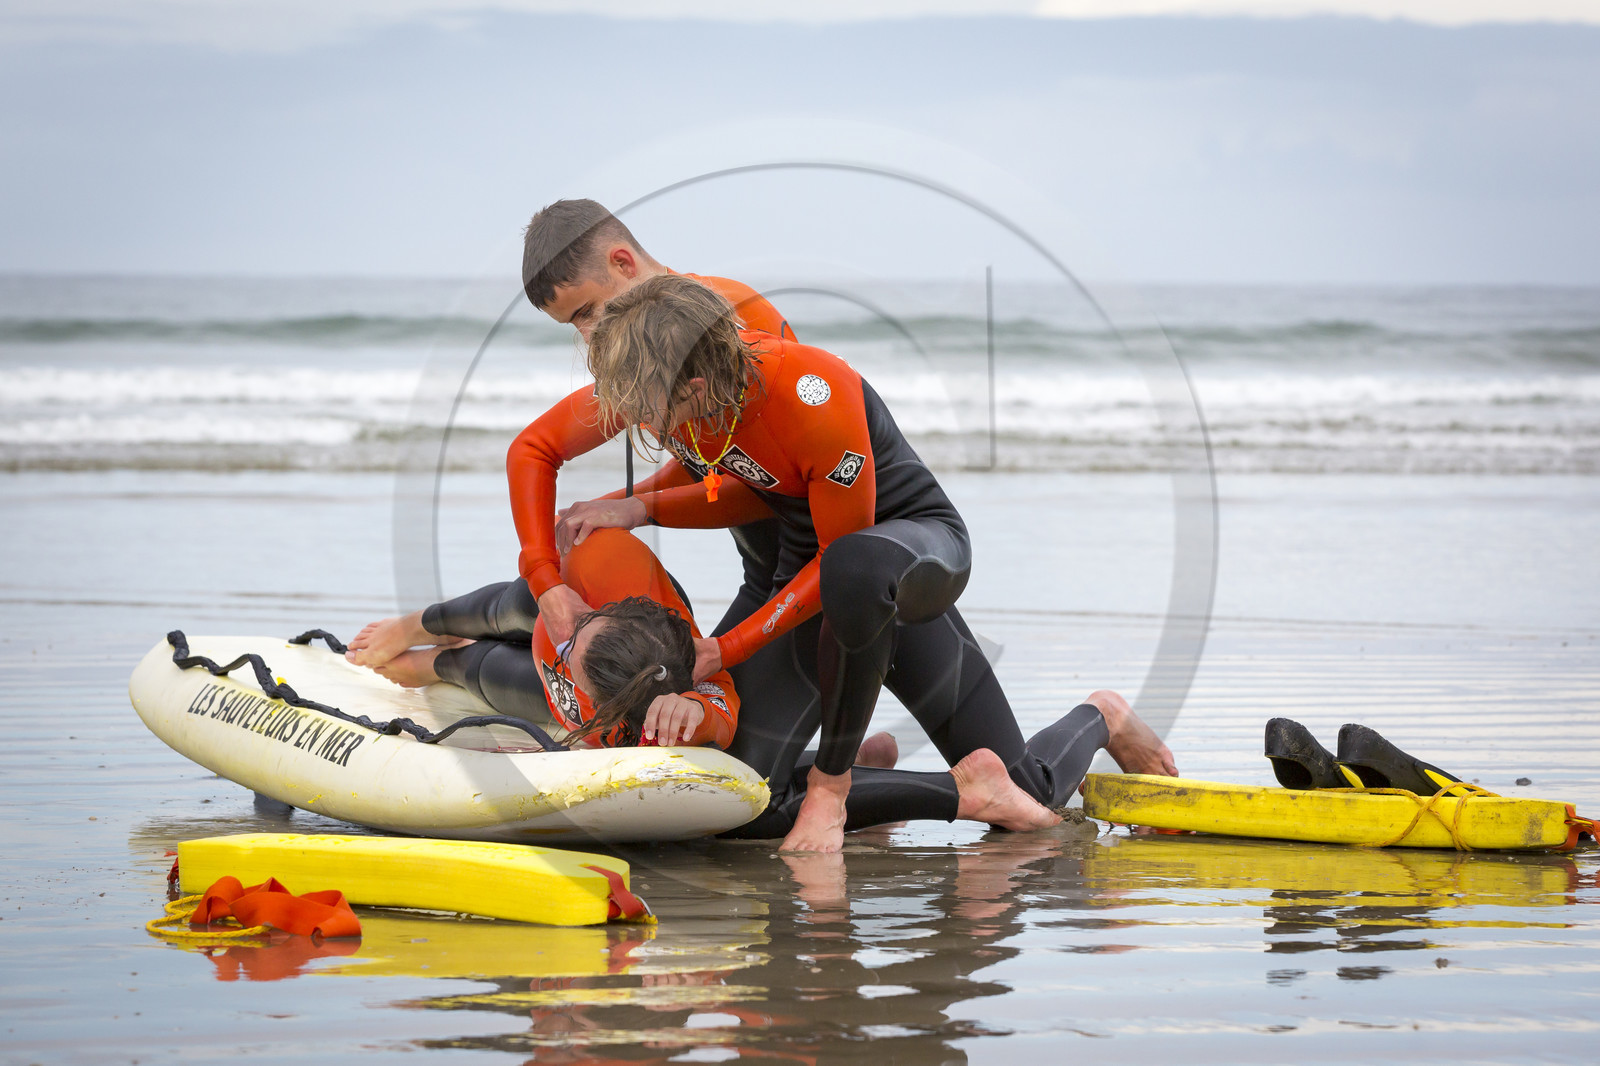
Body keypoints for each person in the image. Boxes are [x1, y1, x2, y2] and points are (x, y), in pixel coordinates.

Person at [512, 274, 1178, 852]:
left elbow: (837, 560)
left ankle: (1103, 715)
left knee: (865, 581)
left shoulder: (811, 391)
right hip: (810, 585)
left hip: (902, 559)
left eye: (647, 413)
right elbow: (760, 486)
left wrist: (729, 646)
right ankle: (890, 766)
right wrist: (640, 510)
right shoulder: (695, 396)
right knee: (736, 798)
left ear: (692, 383)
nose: (642, 428)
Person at [354, 527, 1152, 838]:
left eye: (575, 690)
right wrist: (411, 638)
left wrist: (691, 718)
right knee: (479, 654)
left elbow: (719, 731)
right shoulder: (568, 601)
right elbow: (486, 625)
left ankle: (1101, 713)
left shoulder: (693, 701)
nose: (556, 668)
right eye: (560, 660)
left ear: (629, 717)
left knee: (1032, 793)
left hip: (887, 612)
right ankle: (863, 759)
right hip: (811, 632)